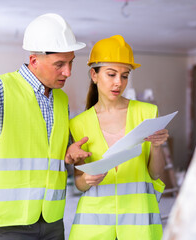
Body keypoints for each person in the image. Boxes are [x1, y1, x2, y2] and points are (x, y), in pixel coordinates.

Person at [0, 13, 90, 240]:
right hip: (7, 222)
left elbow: (46, 151)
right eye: (59, 64)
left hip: (51, 217)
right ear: (34, 61)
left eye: (71, 63)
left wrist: (68, 154)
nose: (68, 72)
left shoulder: (61, 100)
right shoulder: (0, 87)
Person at [68, 35, 169, 240]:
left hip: (138, 225)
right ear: (94, 75)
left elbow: (155, 174)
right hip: (93, 225)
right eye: (111, 74)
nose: (118, 83)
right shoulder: (79, 123)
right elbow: (79, 181)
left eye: (124, 75)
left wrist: (157, 147)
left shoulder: (147, 113)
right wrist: (87, 179)